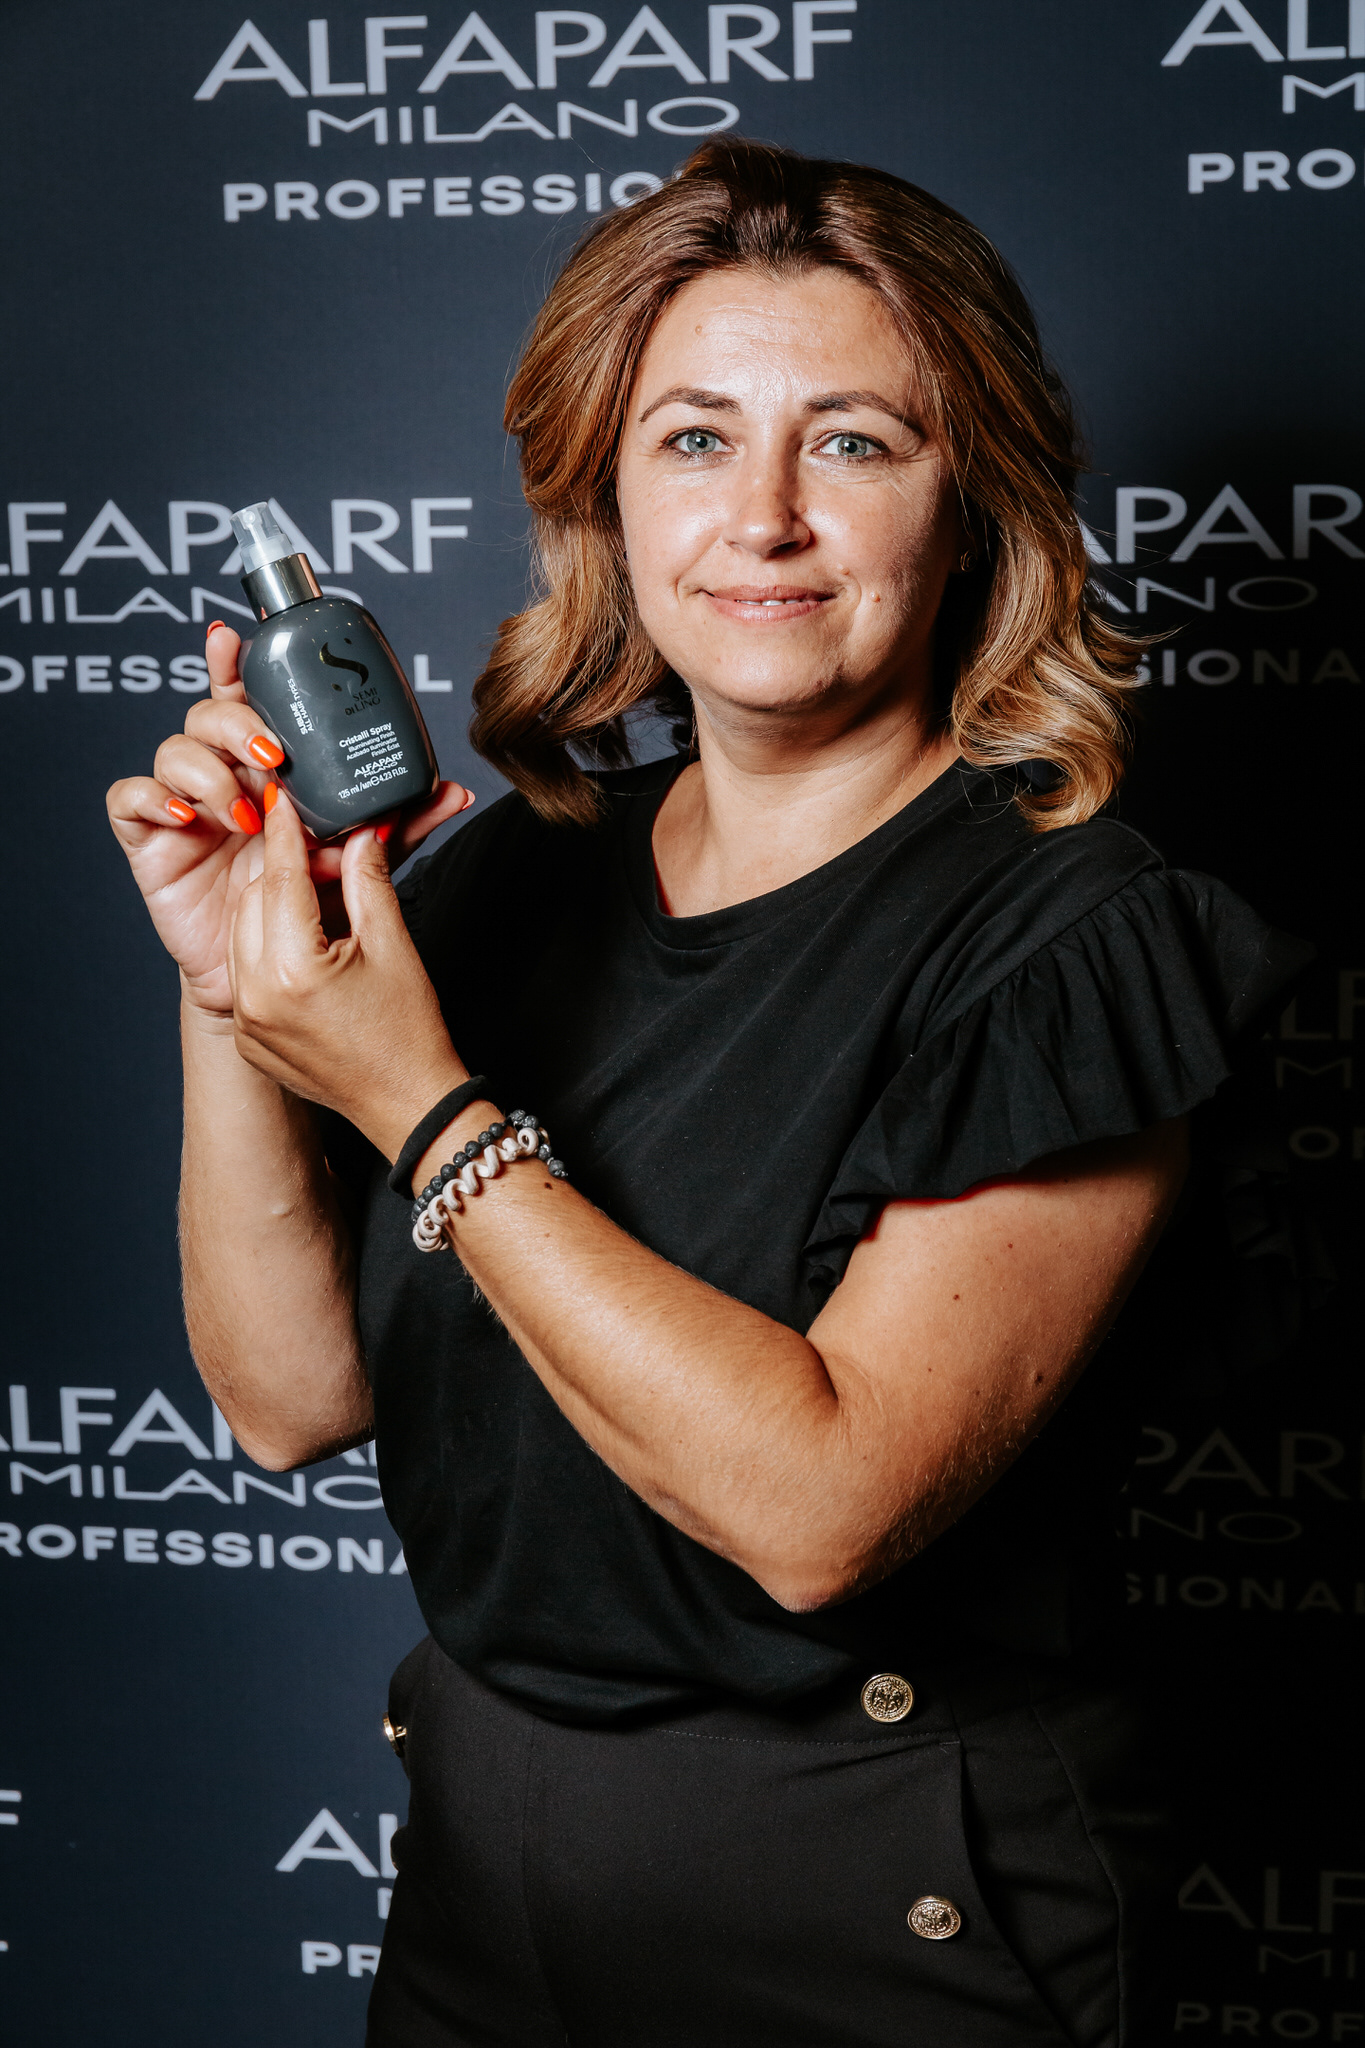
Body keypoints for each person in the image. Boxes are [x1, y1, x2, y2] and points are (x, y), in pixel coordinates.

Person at [107, 142, 1305, 2047]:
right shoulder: (505, 882)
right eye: (691, 440)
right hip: (483, 1875)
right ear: (605, 496)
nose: (761, 518)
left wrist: (424, 1106)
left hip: (879, 1904)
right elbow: (285, 1401)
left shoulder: (1070, 935)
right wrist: (231, 981)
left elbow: (821, 1509)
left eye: (852, 443)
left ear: (971, 501)